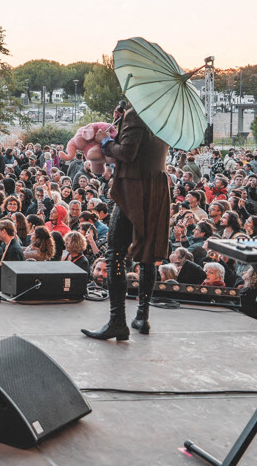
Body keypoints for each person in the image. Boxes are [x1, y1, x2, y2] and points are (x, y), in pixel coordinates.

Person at [83, 99, 171, 341]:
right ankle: (142, 316)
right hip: (156, 186)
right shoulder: (162, 113)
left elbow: (127, 152)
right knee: (147, 255)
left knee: (115, 254)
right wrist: (121, 122)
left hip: (134, 187)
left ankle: (117, 321)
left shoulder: (137, 114)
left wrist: (105, 140)